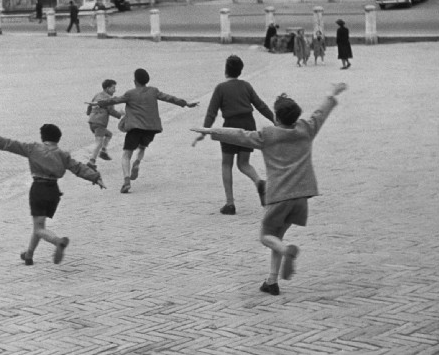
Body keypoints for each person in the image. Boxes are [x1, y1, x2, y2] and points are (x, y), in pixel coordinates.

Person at [191, 83, 348, 295]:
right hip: (301, 198)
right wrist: (331, 94)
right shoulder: (306, 129)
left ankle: (287, 251)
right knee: (277, 236)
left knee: (266, 236)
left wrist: (211, 131)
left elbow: (239, 135)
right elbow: (321, 113)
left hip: (279, 197)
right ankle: (271, 282)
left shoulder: (268, 135)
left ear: (277, 117)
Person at [0, 124, 106, 265]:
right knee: (39, 225)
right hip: (53, 192)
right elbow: (78, 167)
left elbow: (12, 144)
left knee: (39, 228)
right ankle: (29, 255)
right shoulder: (63, 155)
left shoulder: (34, 148)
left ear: (42, 137)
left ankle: (58, 241)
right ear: (58, 139)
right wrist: (95, 177)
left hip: (38, 189)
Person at [91, 68, 199, 194]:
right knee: (142, 148)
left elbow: (115, 100)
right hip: (151, 129)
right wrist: (185, 103)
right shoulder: (153, 91)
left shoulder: (130, 93)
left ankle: (126, 181)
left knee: (126, 155)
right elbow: (169, 98)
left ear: (135, 81)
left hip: (135, 128)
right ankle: (137, 162)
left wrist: (99, 103)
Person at [195, 55, 275, 215]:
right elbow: (260, 105)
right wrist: (275, 120)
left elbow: (211, 112)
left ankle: (230, 204)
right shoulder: (246, 86)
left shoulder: (220, 88)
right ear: (240, 70)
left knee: (227, 164)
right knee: (244, 163)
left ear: (226, 70)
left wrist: (205, 130)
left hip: (230, 127)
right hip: (248, 125)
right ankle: (259, 182)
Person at [86, 79, 123, 170]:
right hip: (100, 123)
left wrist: (88, 113)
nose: (115, 90)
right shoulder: (108, 99)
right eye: (113, 88)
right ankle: (92, 161)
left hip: (92, 122)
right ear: (107, 88)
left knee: (109, 134)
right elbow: (111, 111)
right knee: (98, 142)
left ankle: (103, 151)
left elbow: (90, 105)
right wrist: (121, 114)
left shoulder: (97, 95)